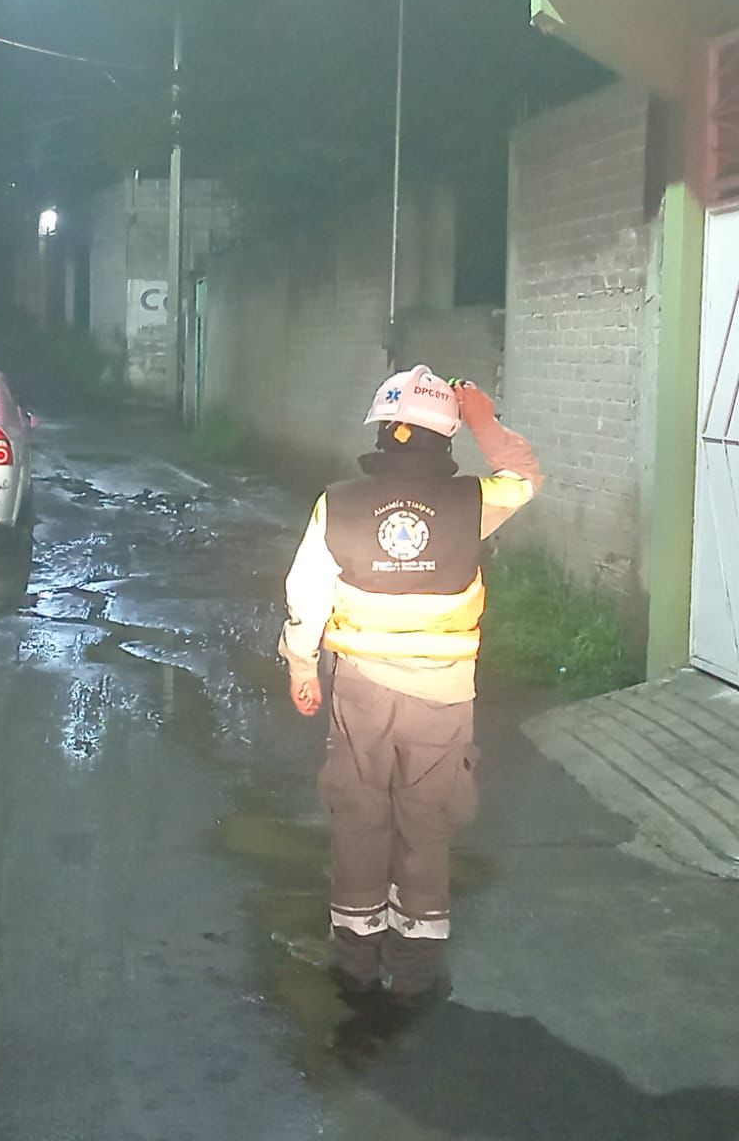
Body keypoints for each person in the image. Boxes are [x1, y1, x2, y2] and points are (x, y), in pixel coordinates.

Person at [280, 365, 543, 1004]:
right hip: (443, 697)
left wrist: (300, 663)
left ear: (381, 427)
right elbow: (527, 479)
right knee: (427, 826)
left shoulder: (336, 501)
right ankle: (416, 973)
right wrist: (485, 418)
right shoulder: (473, 500)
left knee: (359, 816)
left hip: (361, 692)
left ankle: (355, 961)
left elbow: (306, 592)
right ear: (445, 437)